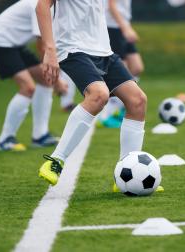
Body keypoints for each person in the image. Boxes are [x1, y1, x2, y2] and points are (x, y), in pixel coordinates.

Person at [36, 0, 163, 192]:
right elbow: (42, 5)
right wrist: (49, 49)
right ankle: (56, 160)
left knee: (138, 101)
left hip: (104, 50)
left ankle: (124, 176)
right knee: (98, 94)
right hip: (73, 48)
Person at [0, 0, 74, 151]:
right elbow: (43, 46)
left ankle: (40, 136)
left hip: (14, 44)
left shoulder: (56, 6)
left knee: (45, 80)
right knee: (28, 88)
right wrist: (58, 81)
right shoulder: (40, 5)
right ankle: (5, 140)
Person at [96, 0, 145, 128]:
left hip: (122, 26)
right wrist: (126, 28)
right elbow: (111, 6)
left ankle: (120, 106)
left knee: (136, 67)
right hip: (113, 28)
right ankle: (107, 114)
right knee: (119, 72)